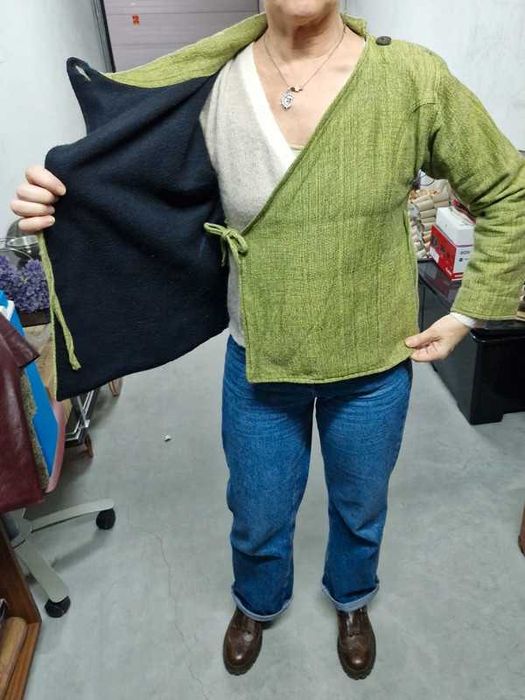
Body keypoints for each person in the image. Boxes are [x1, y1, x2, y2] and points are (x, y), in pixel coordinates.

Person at [10, 1, 524, 681]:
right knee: (256, 507)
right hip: (259, 358)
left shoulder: (409, 79)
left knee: (360, 504)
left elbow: (506, 187)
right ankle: (257, 601)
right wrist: (62, 202)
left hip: (373, 360)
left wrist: (469, 311)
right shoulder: (209, 84)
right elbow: (140, 193)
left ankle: (352, 598)